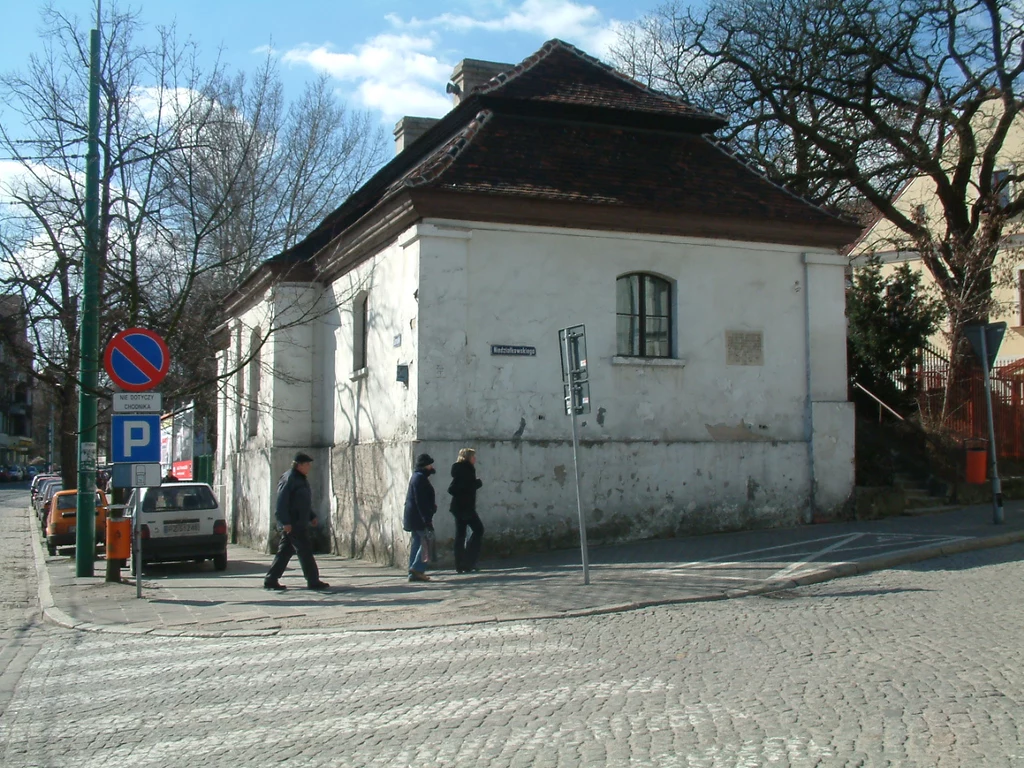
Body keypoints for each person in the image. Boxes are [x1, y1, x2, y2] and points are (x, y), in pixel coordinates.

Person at [263, 452, 330, 591]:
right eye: (307, 464)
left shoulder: (300, 478)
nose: (309, 467)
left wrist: (311, 516)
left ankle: (271, 579)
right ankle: (313, 580)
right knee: (305, 551)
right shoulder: (290, 479)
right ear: (299, 465)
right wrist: (284, 522)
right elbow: (281, 503)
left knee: (285, 552)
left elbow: (302, 502)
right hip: (293, 523)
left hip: (299, 522)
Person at [448, 447, 484, 573]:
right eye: (473, 456)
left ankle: (461, 563)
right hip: (465, 507)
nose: (475, 459)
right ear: (468, 457)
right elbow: (460, 488)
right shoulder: (466, 469)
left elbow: (455, 488)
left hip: (459, 507)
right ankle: (468, 561)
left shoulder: (460, 469)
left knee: (460, 535)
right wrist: (476, 484)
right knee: (478, 530)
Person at [403, 453, 437, 582]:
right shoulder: (420, 478)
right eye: (429, 464)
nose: (431, 467)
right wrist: (426, 519)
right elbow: (421, 501)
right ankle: (417, 569)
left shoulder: (417, 477)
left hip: (414, 517)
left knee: (417, 542)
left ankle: (413, 572)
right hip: (419, 517)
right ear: (425, 465)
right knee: (426, 542)